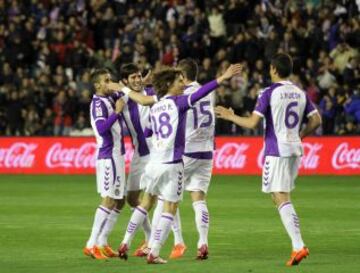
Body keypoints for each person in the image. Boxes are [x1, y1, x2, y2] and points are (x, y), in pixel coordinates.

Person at [117, 64, 242, 264]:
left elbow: (149, 131)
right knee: (170, 207)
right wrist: (223, 77)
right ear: (169, 84)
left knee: (146, 203)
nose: (183, 85)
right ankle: (154, 251)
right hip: (172, 164)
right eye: (179, 82)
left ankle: (125, 242)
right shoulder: (179, 103)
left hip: (152, 164)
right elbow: (202, 91)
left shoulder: (155, 105)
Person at [215, 53, 321, 266]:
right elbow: (316, 120)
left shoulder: (268, 92)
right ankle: (297, 245)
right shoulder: (300, 92)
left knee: (281, 197)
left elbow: (253, 123)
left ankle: (298, 246)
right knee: (280, 196)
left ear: (273, 69)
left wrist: (229, 116)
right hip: (295, 150)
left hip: (277, 150)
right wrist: (300, 136)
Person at [117, 63, 186, 258]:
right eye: (133, 78)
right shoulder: (122, 99)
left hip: (156, 154)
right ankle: (149, 238)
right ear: (125, 81)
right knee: (133, 198)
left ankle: (175, 240)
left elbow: (163, 92)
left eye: (139, 76)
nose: (138, 80)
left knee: (163, 198)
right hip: (140, 154)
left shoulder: (152, 95)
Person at [83, 68, 127, 260]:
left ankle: (102, 241)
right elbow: (101, 128)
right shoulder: (98, 104)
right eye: (106, 80)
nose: (110, 83)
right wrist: (117, 113)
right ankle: (91, 244)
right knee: (109, 199)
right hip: (108, 156)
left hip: (117, 155)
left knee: (120, 199)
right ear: (97, 85)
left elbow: (125, 91)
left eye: (111, 79)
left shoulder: (109, 97)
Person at [179, 58, 215, 259]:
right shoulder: (207, 92)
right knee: (198, 199)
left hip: (189, 150)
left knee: (166, 197)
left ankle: (154, 244)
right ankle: (203, 242)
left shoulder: (184, 93)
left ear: (182, 76)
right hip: (207, 151)